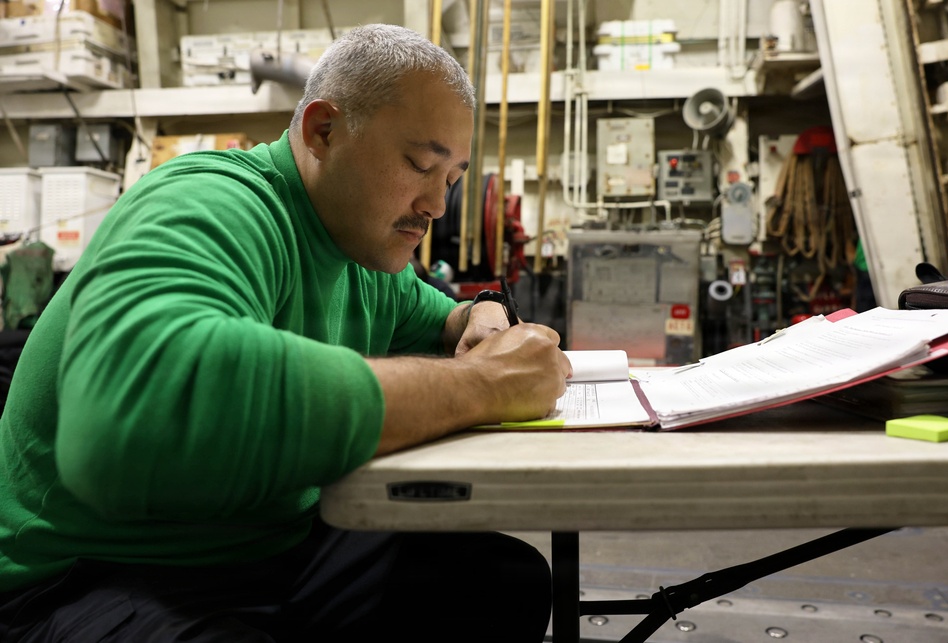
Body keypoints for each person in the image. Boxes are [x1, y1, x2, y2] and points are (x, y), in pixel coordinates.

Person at [0, 23, 572, 642]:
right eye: (419, 165)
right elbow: (135, 409)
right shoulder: (211, 203)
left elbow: (438, 316)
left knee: (501, 582)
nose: (436, 204)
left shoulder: (360, 247)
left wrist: (479, 313)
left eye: (452, 178)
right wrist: (484, 383)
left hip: (266, 552)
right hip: (98, 573)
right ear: (322, 131)